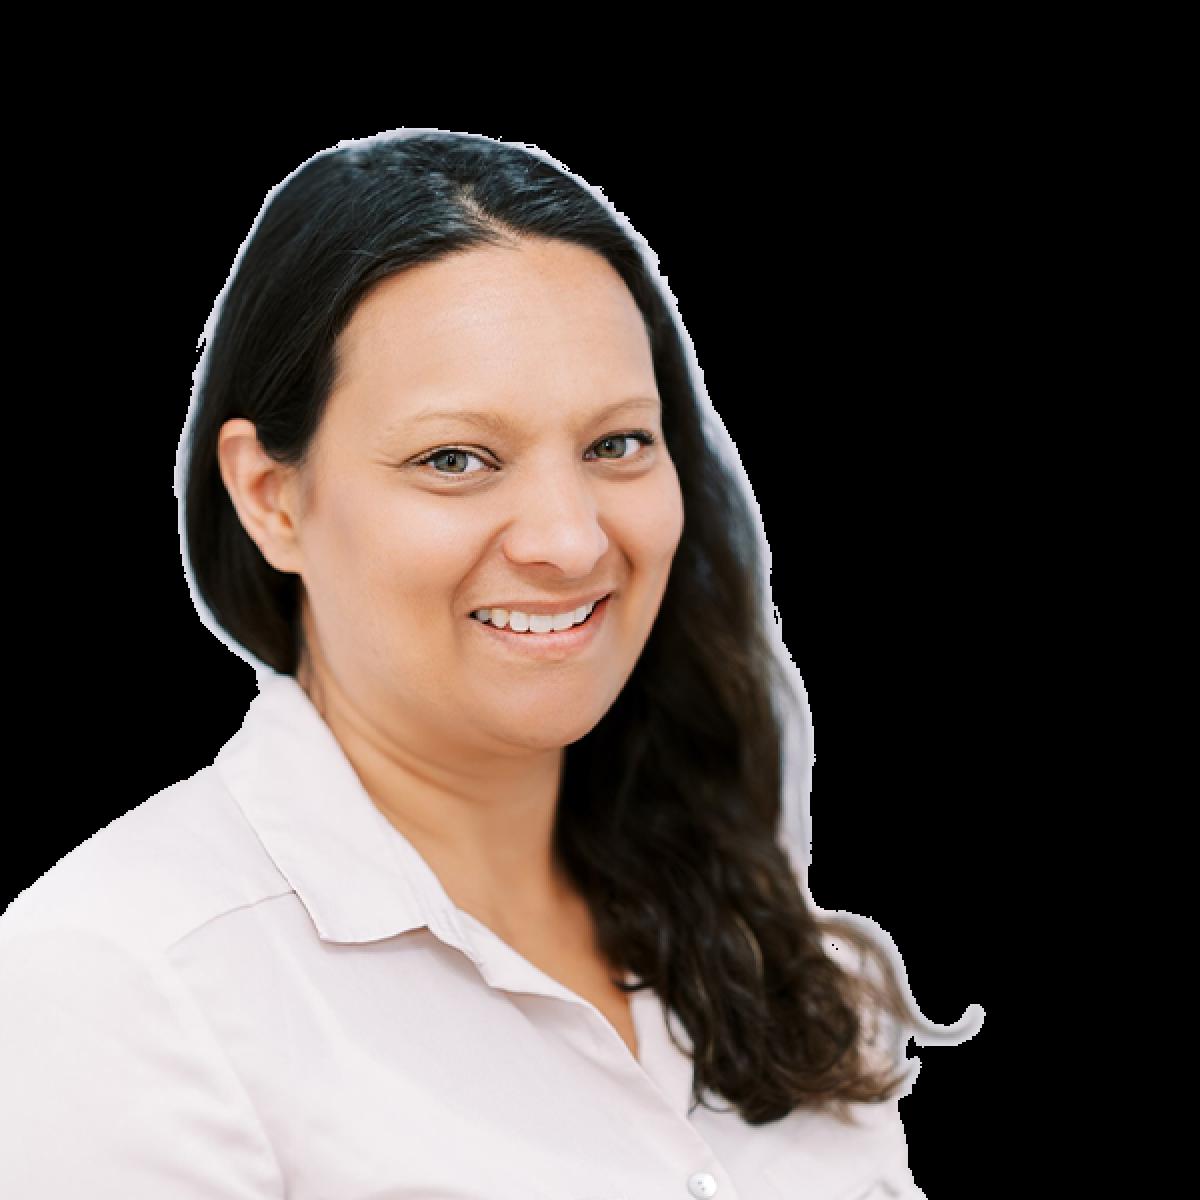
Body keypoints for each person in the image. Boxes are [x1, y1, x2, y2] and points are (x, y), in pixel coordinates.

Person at [0, 131, 948, 1197]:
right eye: (455, 459)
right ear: (272, 498)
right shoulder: (131, 975)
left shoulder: (756, 933)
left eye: (617, 445)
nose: (572, 540)